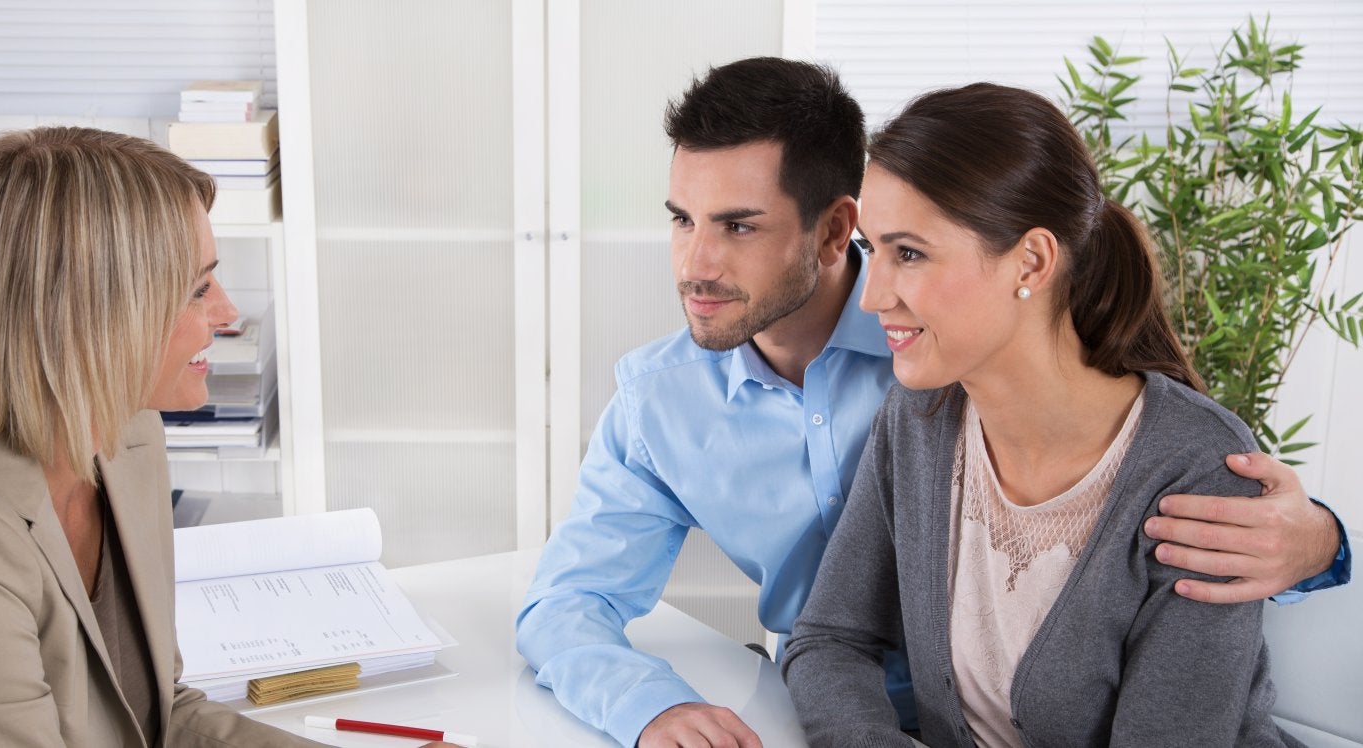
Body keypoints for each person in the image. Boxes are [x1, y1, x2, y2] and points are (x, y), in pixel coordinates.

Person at [516, 57, 1349, 748]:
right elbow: (580, 605)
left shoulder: (954, 354)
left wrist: (1322, 541)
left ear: (837, 229)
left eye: (738, 226)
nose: (695, 263)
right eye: (680, 220)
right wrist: (650, 707)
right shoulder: (890, 405)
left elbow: (1200, 510)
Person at [782, 83, 1304, 746]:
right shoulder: (919, 420)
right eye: (872, 250)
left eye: (908, 253)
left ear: (1031, 260)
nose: (872, 295)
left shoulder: (1199, 472)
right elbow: (831, 638)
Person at [0, 128, 339, 746]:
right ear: (95, 314)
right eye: (199, 289)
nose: (226, 314)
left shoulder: (126, 438)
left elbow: (163, 717)